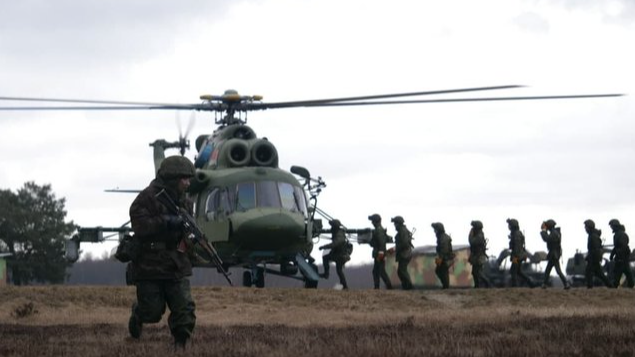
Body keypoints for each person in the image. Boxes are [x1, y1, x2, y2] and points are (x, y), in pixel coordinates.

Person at [127, 156, 197, 349]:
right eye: (184, 178)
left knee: (184, 308)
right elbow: (139, 225)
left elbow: (187, 231)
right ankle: (139, 314)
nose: (188, 183)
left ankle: (181, 343)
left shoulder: (186, 201)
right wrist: (166, 221)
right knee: (152, 312)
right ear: (173, 178)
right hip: (149, 264)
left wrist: (190, 239)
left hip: (176, 263)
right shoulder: (147, 198)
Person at [319, 219, 350, 290]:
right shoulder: (338, 233)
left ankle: (326, 274)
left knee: (326, 258)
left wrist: (324, 246)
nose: (331, 228)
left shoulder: (339, 234)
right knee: (339, 271)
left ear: (335, 227)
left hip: (341, 256)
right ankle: (344, 286)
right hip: (339, 255)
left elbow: (335, 244)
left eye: (332, 226)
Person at [540, 219, 570, 289]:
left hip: (554, 254)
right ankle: (544, 284)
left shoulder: (554, 233)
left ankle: (566, 284)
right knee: (548, 270)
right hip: (554, 254)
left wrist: (543, 231)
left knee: (557, 271)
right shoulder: (555, 232)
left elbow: (546, 239)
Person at [507, 218, 536, 288]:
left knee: (513, 271)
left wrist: (515, 257)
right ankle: (530, 283)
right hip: (519, 255)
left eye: (510, 225)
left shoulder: (517, 234)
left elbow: (517, 247)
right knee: (518, 271)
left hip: (517, 256)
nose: (509, 227)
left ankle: (515, 285)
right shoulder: (516, 233)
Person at [584, 219, 612, 288]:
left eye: (586, 227)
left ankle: (590, 287)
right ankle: (610, 286)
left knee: (589, 272)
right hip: (594, 258)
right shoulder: (592, 235)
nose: (585, 229)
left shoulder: (593, 236)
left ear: (589, 227)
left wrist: (591, 257)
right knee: (599, 274)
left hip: (593, 258)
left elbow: (595, 249)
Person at [368, 214, 393, 290]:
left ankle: (389, 286)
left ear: (375, 222)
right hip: (378, 253)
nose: (372, 223)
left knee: (381, 271)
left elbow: (381, 243)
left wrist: (381, 254)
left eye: (372, 221)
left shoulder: (379, 231)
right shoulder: (379, 230)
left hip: (379, 254)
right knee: (376, 271)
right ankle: (377, 287)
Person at [609, 219, 634, 288]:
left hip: (622, 256)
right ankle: (631, 284)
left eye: (611, 226)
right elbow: (616, 247)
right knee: (626, 271)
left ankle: (615, 284)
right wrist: (612, 254)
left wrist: (619, 256)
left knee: (619, 271)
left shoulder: (621, 235)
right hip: (621, 256)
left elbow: (622, 247)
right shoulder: (617, 234)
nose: (611, 227)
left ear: (615, 226)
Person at [392, 216, 413, 290]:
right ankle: (406, 286)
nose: (394, 225)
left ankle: (409, 286)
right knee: (400, 271)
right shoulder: (402, 230)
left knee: (402, 270)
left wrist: (395, 248)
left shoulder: (402, 231)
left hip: (405, 254)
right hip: (404, 254)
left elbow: (404, 244)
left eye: (395, 223)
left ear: (398, 224)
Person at [468, 220, 491, 288]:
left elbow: (471, 241)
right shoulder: (478, 234)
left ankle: (487, 283)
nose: (473, 229)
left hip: (479, 256)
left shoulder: (479, 236)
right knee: (474, 272)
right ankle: (477, 286)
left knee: (479, 273)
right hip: (476, 256)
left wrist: (470, 234)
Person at [432, 222, 454, 289]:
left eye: (435, 229)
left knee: (443, 272)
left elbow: (444, 249)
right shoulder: (442, 236)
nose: (434, 231)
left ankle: (446, 287)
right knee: (440, 271)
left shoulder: (443, 237)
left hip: (445, 258)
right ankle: (445, 286)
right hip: (445, 257)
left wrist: (440, 258)